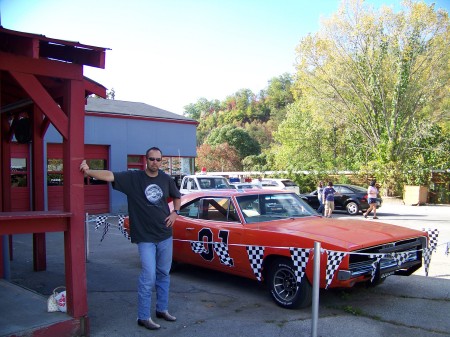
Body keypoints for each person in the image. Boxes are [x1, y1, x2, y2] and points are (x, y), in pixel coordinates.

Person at [80, 147, 181, 331]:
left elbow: (177, 197)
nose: (155, 163)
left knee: (164, 274)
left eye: (158, 160)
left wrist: (176, 212)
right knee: (148, 276)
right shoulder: (134, 178)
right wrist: (88, 171)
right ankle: (143, 317)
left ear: (161, 161)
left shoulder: (166, 179)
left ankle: (162, 309)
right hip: (145, 237)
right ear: (146, 160)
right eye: (152, 159)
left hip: (165, 235)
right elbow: (110, 175)